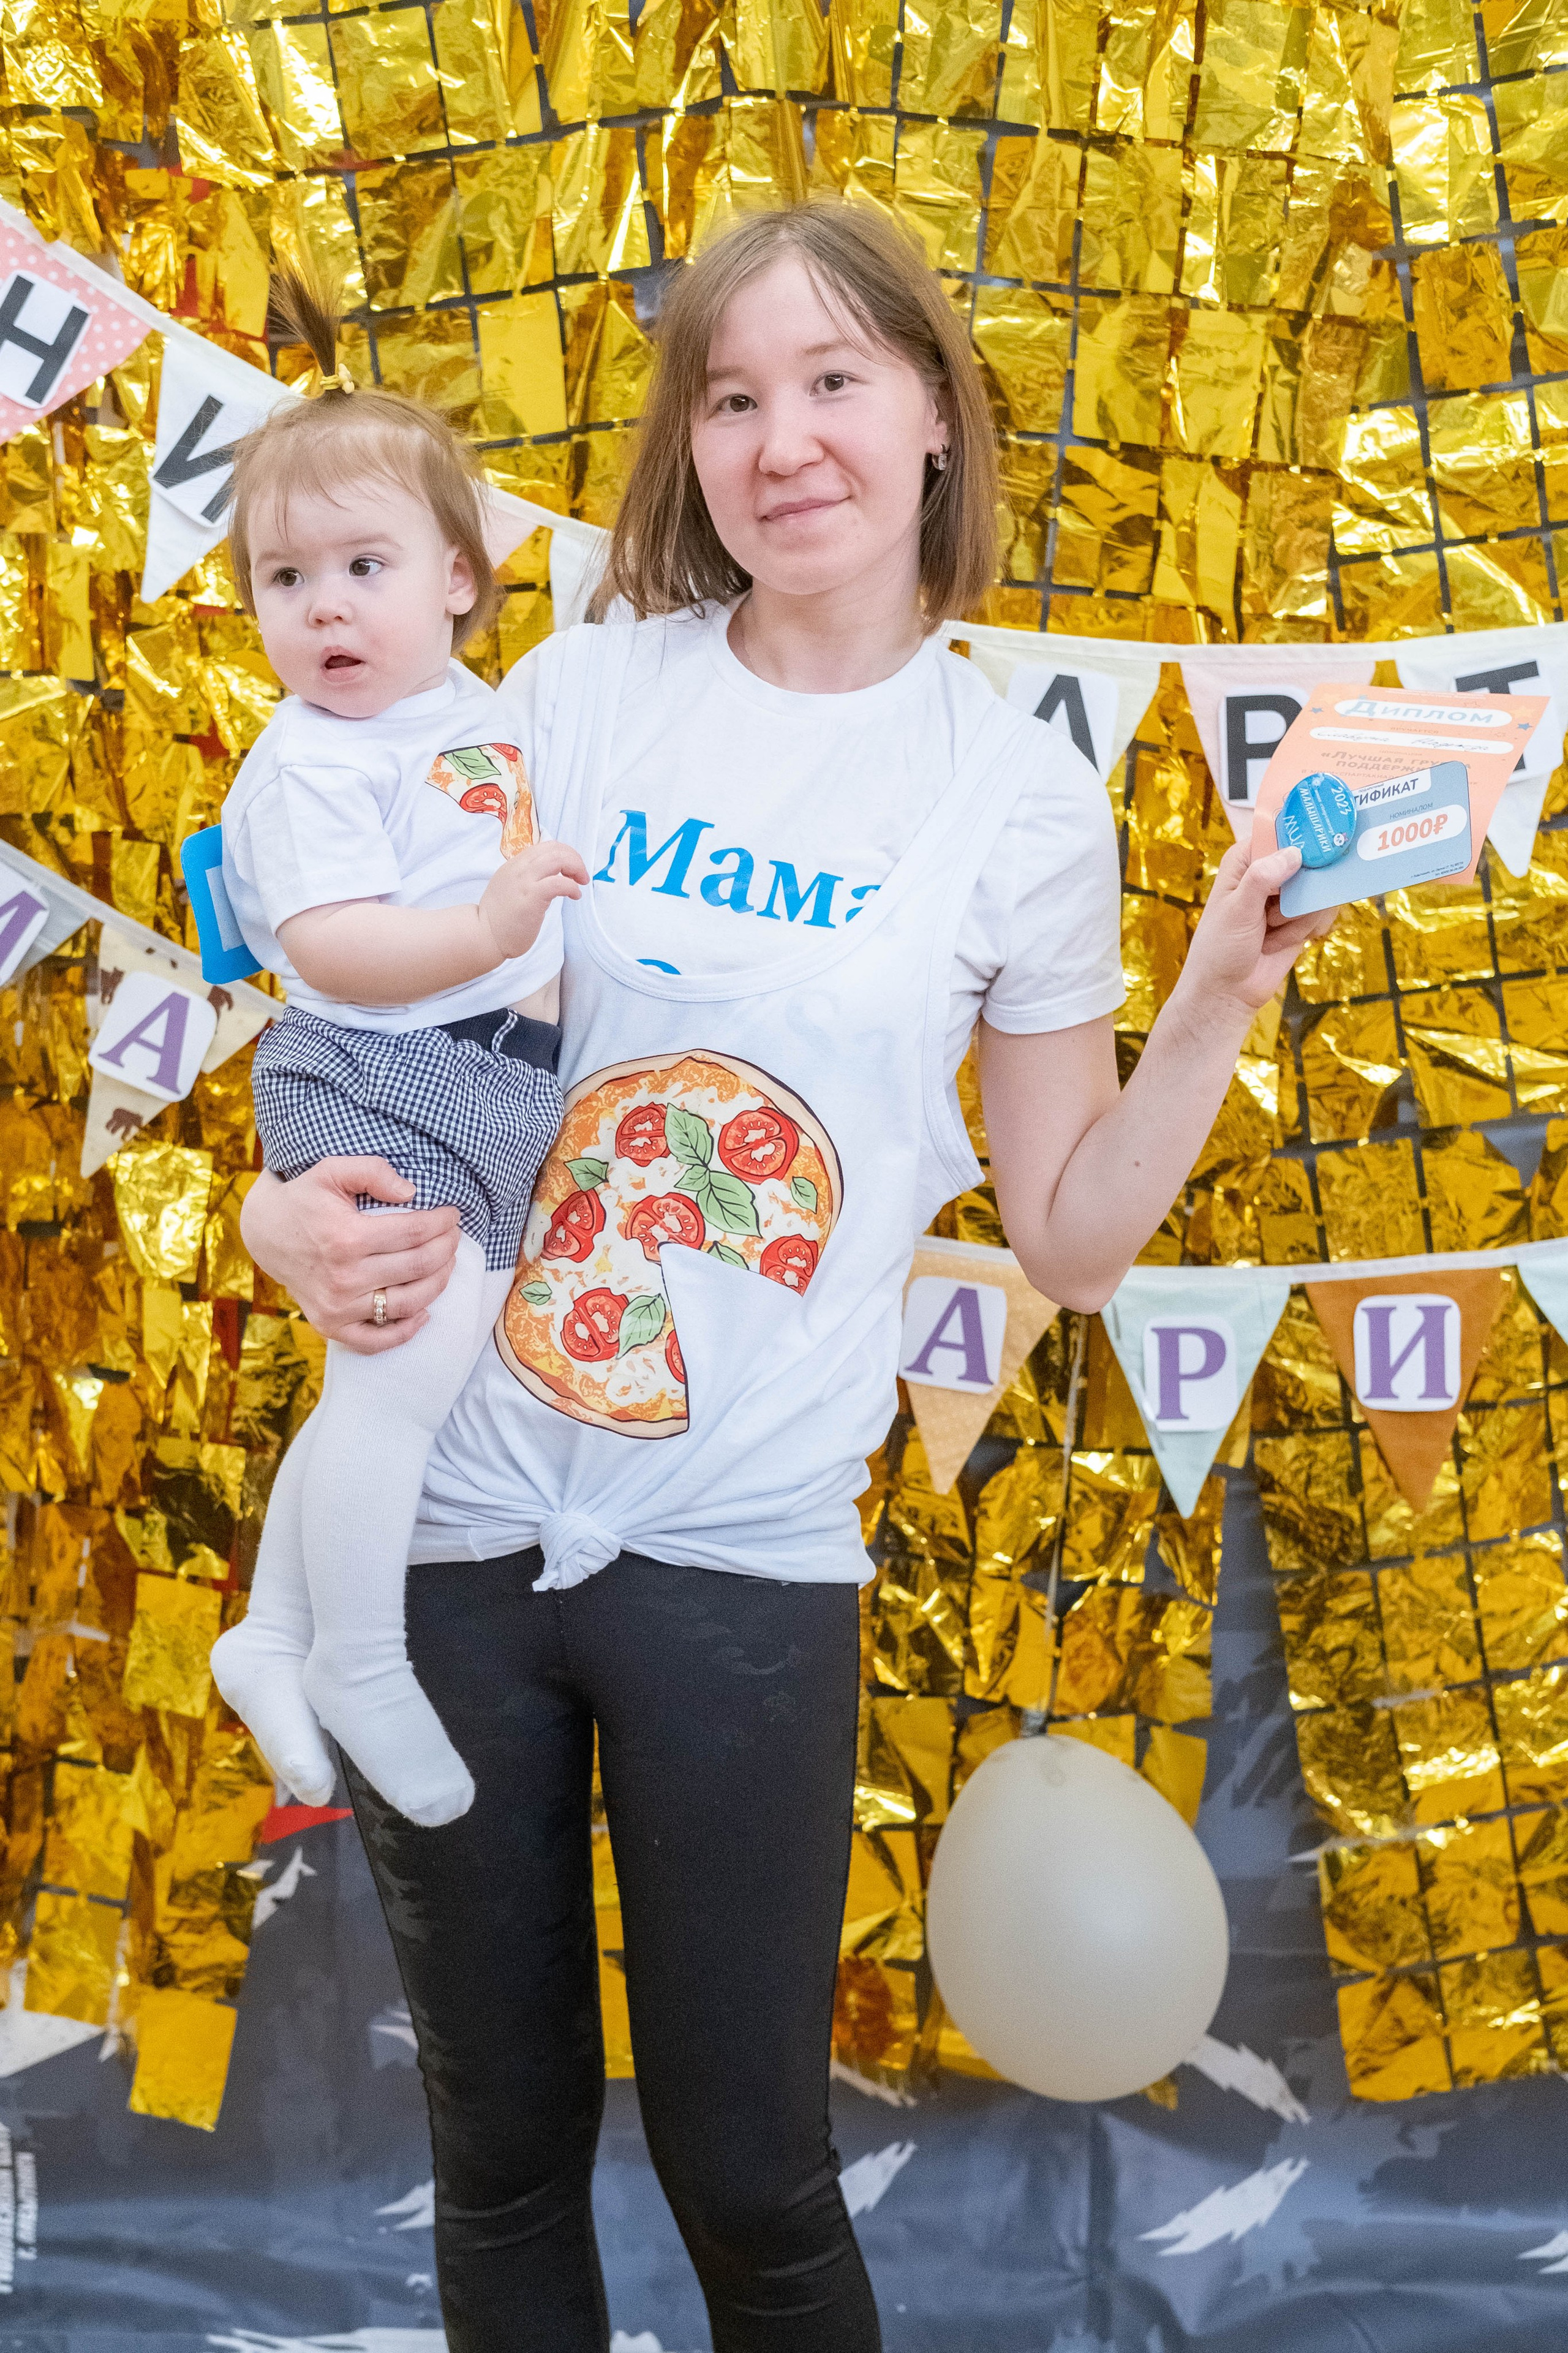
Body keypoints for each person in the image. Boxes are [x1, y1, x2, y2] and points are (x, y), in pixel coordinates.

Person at [237, 206, 1333, 2353]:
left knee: (751, 2163)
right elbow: (365, 968)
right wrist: (292, 1213)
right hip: (449, 1512)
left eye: (834, 380)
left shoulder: (1016, 797)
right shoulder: (569, 691)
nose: (783, 438)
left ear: (936, 412)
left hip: (740, 1550)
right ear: (691, 444)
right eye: (731, 395)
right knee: (504, 2144)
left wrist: (1216, 991)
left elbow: (1072, 1238)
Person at [208, 273, 587, 1827]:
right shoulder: (308, 759)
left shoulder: (473, 709)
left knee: (380, 1383)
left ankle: (275, 1631)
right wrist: (494, 936)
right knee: (398, 1385)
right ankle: (361, 1657)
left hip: (488, 1085)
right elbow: (329, 946)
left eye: (364, 566)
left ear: (459, 581)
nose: (325, 608)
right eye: (285, 577)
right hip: (385, 1076)